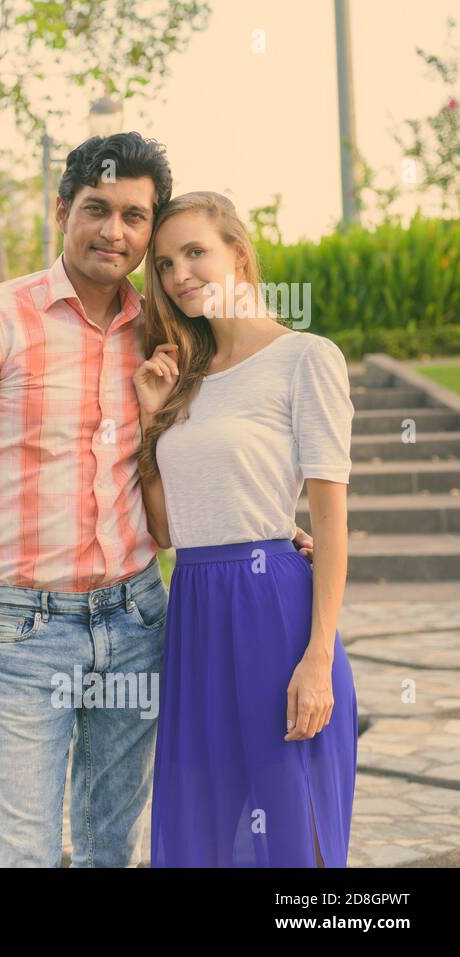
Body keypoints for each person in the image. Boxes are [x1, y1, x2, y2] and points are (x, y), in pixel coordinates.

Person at [0, 133, 315, 866]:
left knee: (108, 845)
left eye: (133, 216)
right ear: (63, 210)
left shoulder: (165, 332)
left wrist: (273, 535)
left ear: (149, 230)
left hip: (136, 620)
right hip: (23, 632)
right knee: (24, 850)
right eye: (96, 209)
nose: (112, 231)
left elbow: (208, 454)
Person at [136, 191, 357, 867]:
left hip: (274, 612)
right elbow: (168, 529)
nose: (180, 275)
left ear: (237, 251)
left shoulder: (305, 358)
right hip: (196, 614)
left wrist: (317, 657)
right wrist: (150, 422)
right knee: (205, 831)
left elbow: (329, 516)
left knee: (293, 834)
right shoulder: (184, 379)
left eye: (195, 252)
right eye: (167, 263)